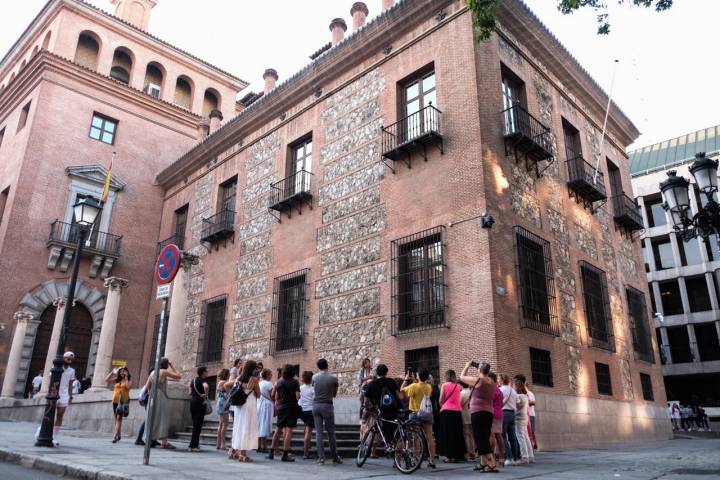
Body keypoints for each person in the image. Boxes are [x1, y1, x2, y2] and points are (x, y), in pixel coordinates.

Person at [459, 361, 497, 473]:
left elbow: (461, 377)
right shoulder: (492, 382)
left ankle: (492, 463)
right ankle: (483, 463)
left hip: (478, 413)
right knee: (484, 437)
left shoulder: (478, 380)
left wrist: (466, 366)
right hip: (489, 412)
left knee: (480, 438)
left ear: (479, 370)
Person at [401, 368, 437, 469]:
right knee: (429, 437)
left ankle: (417, 459)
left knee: (416, 437)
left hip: (415, 414)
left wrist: (405, 380)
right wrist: (415, 379)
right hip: (427, 413)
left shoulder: (413, 386)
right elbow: (421, 385)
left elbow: (401, 392)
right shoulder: (429, 387)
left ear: (418, 376)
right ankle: (432, 460)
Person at [145, 357, 181, 449]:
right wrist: (172, 366)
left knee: (152, 417)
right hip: (161, 396)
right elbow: (178, 376)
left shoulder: (153, 372)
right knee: (163, 418)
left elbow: (147, 386)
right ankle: (164, 442)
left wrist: (151, 393)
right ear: (166, 364)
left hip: (152, 396)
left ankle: (150, 439)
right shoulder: (163, 372)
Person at [228, 360, 260, 462]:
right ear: (252, 369)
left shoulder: (238, 378)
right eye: (255, 368)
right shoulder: (254, 379)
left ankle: (233, 450)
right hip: (249, 403)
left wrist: (242, 385)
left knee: (238, 426)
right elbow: (259, 394)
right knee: (247, 426)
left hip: (239, 405)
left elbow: (229, 385)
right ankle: (243, 454)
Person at [312, 359, 343, 465]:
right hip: (327, 405)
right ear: (327, 365)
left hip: (316, 405)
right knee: (331, 432)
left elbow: (313, 389)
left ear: (318, 366)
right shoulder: (333, 378)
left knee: (319, 433)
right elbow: (334, 394)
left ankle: (321, 458)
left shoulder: (314, 377)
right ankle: (335, 457)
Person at [364, 364, 401, 448]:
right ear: (386, 372)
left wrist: (369, 407)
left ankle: (388, 444)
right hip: (394, 410)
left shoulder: (372, 384)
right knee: (395, 431)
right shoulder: (392, 381)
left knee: (385, 428)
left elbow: (366, 400)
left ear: (377, 373)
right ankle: (395, 448)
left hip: (382, 411)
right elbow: (399, 396)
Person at [268, 364, 300, 462]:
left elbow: (273, 395)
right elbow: (298, 397)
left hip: (281, 408)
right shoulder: (295, 382)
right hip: (291, 408)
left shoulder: (278, 382)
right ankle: (285, 454)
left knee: (278, 429)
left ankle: (271, 452)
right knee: (289, 430)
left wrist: (279, 401)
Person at [439, 369, 466, 463]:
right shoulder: (458, 386)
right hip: (457, 411)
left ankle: (449, 456)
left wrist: (442, 404)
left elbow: (441, 400)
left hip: (446, 411)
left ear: (446, 376)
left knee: (448, 434)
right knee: (457, 433)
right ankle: (457, 455)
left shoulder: (444, 385)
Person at [54, 351, 77, 445]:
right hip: (54, 393)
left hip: (64, 394)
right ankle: (43, 431)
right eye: (68, 358)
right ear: (63, 358)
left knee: (60, 415)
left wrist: (70, 396)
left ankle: (54, 436)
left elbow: (71, 384)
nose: (69, 360)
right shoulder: (55, 367)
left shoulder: (72, 371)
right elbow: (52, 380)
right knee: (50, 415)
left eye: (71, 359)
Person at [104, 366, 132, 443]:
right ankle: (118, 435)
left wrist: (126, 377)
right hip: (115, 401)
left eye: (124, 371)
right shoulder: (117, 380)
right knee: (117, 419)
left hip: (123, 401)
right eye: (121, 371)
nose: (122, 373)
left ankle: (114, 436)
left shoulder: (128, 380)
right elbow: (106, 380)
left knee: (119, 418)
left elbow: (128, 386)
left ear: (126, 372)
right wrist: (112, 372)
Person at [499, 374, 521, 465]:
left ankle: (509, 457)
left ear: (501, 380)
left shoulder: (500, 390)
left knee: (503, 436)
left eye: (498, 379)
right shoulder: (513, 391)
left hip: (504, 413)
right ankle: (516, 458)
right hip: (512, 413)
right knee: (512, 437)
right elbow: (518, 403)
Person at [189, 366, 210, 452]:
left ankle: (195, 444)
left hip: (192, 402)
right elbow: (206, 386)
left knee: (195, 424)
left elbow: (189, 392)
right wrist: (206, 395)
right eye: (206, 371)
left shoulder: (193, 380)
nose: (208, 372)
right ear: (203, 372)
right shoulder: (203, 380)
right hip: (200, 403)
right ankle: (193, 446)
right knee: (198, 425)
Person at [514, 378, 534, 464]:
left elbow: (516, 407)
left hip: (518, 418)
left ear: (517, 387)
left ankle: (525, 457)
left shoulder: (518, 397)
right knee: (526, 437)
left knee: (520, 437)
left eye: (515, 386)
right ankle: (531, 456)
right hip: (525, 418)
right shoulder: (525, 396)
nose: (514, 388)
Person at [487, 372, 505, 467]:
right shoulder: (499, 390)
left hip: (492, 413)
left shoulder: (492, 389)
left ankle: (492, 456)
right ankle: (502, 457)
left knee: (492, 435)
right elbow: (501, 404)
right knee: (499, 435)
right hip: (499, 413)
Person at [256, 368, 274, 453]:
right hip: (266, 406)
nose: (271, 375)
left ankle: (258, 446)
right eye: (270, 374)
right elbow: (272, 395)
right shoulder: (269, 384)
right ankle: (264, 446)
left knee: (259, 424)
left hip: (259, 404)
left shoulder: (259, 383)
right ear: (267, 375)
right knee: (265, 425)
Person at [299, 370, 315, 459]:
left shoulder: (301, 388)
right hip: (310, 411)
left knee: (306, 429)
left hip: (302, 410)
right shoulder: (313, 389)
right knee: (308, 432)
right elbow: (314, 400)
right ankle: (305, 453)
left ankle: (306, 446)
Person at [459, 382, 476, 461]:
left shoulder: (461, 394)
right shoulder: (472, 392)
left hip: (464, 415)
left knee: (466, 435)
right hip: (472, 415)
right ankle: (473, 453)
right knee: (472, 435)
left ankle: (468, 453)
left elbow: (459, 405)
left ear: (462, 385)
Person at [216, 368, 231, 450]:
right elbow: (229, 393)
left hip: (220, 403)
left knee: (221, 424)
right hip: (224, 403)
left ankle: (218, 444)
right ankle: (223, 444)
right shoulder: (224, 382)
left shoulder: (220, 382)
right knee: (225, 424)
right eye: (228, 374)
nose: (229, 375)